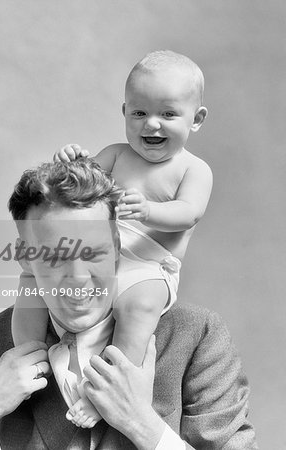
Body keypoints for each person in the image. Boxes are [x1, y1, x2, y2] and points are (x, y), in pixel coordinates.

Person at [0, 159, 257, 449]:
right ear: (24, 256)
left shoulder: (196, 335)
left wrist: (141, 424)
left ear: (116, 247)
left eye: (92, 253)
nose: (78, 278)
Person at [14, 50, 213, 427]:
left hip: (150, 265)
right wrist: (68, 162)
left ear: (196, 119)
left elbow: (190, 212)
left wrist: (149, 211)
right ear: (125, 113)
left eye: (168, 114)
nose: (151, 125)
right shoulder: (116, 154)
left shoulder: (193, 169)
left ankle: (105, 389)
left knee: (138, 309)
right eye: (139, 113)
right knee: (31, 281)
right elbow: (76, 189)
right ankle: (26, 359)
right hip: (100, 258)